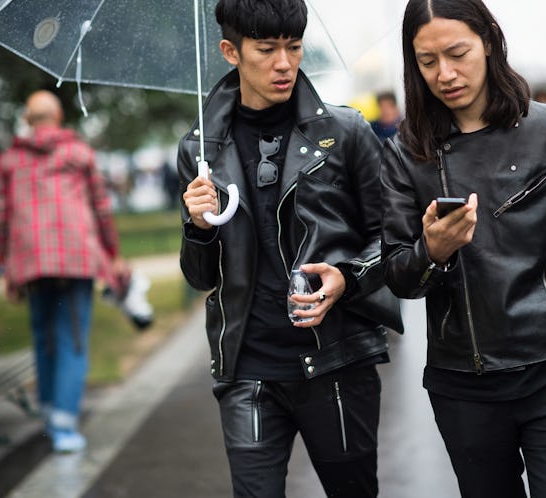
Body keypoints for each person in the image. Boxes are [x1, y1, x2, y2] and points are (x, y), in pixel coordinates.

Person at [380, 1, 546, 497]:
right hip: (463, 385)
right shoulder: (405, 153)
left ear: (490, 40)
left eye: (458, 53)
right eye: (427, 61)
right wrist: (430, 252)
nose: (445, 74)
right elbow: (398, 276)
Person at [178, 1, 402, 497]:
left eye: (293, 47)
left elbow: (391, 237)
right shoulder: (200, 150)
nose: (284, 62)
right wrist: (198, 227)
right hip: (248, 369)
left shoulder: (345, 134)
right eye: (266, 49)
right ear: (230, 52)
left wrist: (347, 275)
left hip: (338, 363)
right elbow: (200, 276)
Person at [0, 90, 122, 453]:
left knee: (43, 336)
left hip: (29, 262)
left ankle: (50, 414)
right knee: (72, 338)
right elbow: (101, 208)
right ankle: (64, 426)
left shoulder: (8, 160)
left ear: (27, 119)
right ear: (59, 116)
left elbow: (0, 218)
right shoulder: (79, 153)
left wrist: (5, 266)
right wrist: (111, 253)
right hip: (75, 259)